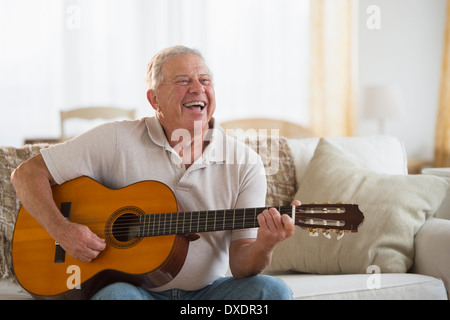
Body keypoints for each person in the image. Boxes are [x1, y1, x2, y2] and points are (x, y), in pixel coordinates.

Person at [11, 45, 299, 300]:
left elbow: (241, 264)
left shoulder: (245, 161)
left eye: (205, 80)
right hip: (132, 291)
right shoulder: (115, 139)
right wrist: (61, 229)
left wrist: (265, 244)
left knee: (275, 292)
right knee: (116, 298)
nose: (198, 88)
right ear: (154, 100)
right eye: (183, 81)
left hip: (207, 295)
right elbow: (26, 174)